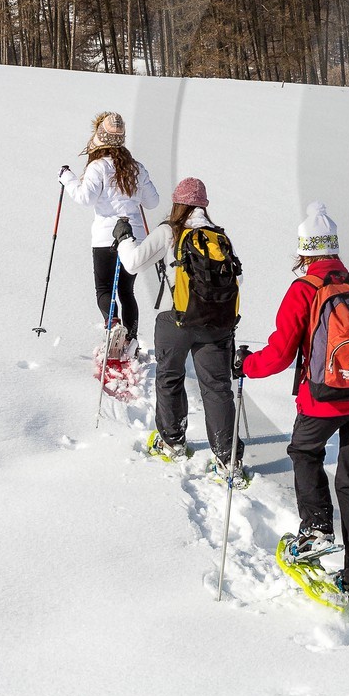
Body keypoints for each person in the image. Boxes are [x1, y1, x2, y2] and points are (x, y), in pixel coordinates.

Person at [238, 201, 349, 605]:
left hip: (323, 400)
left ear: (304, 251)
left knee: (304, 452)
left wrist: (245, 365)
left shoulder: (305, 289)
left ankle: (316, 530)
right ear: (335, 246)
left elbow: (279, 355)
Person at [114, 177, 245, 486]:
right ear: (203, 206)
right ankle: (227, 461)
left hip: (177, 321)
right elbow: (236, 280)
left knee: (170, 377)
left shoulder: (169, 231)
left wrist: (124, 238)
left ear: (177, 204)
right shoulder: (219, 237)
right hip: (217, 324)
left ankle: (172, 442)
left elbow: (133, 263)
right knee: (217, 389)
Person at [58, 111, 159, 380]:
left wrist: (67, 178)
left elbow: (84, 198)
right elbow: (152, 202)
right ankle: (132, 339)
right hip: (134, 237)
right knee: (127, 290)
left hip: (105, 238)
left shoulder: (98, 166)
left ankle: (113, 324)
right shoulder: (137, 168)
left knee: (104, 289)